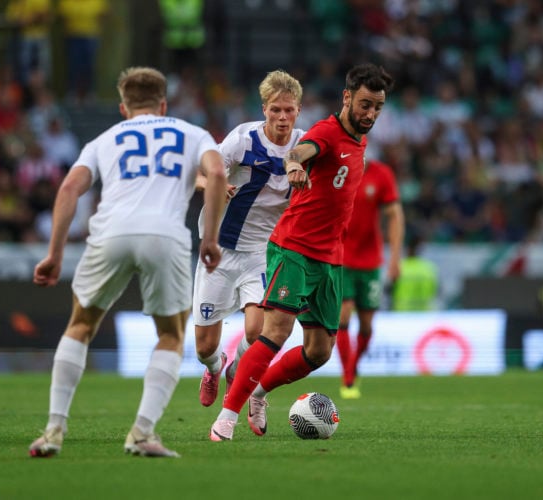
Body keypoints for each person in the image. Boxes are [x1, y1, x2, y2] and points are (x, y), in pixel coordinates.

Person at [28, 66, 227, 458]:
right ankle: (141, 433)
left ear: (123, 107)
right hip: (165, 236)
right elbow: (217, 172)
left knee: (81, 325)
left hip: (111, 233)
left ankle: (53, 430)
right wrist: (210, 238)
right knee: (170, 334)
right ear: (164, 103)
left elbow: (70, 187)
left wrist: (54, 253)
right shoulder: (192, 133)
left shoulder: (105, 139)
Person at [209, 63, 394, 441]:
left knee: (319, 351)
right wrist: (293, 165)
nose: (370, 114)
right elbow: (300, 150)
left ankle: (258, 394)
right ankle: (226, 417)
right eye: (364, 105)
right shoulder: (326, 131)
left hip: (330, 257)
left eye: (377, 107)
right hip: (293, 248)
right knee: (276, 330)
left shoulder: (360, 140)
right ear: (346, 97)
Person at [193, 69, 305, 407]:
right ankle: (215, 368)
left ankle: (237, 370)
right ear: (264, 109)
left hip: (263, 251)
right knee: (203, 348)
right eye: (275, 110)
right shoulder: (242, 139)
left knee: (258, 330)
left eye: (289, 110)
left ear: (298, 110)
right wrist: (214, 184)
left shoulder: (305, 146)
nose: (282, 117)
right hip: (221, 248)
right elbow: (199, 174)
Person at [337, 156, 404, 399]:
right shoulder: (339, 171)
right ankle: (348, 376)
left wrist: (395, 258)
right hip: (340, 257)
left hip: (370, 261)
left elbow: (394, 214)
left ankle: (353, 366)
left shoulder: (381, 174)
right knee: (343, 314)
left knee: (366, 323)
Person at [390, 235, 438, 311]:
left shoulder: (398, 266)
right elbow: (437, 291)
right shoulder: (429, 268)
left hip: (401, 314)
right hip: (425, 313)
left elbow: (388, 290)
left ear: (407, 250)